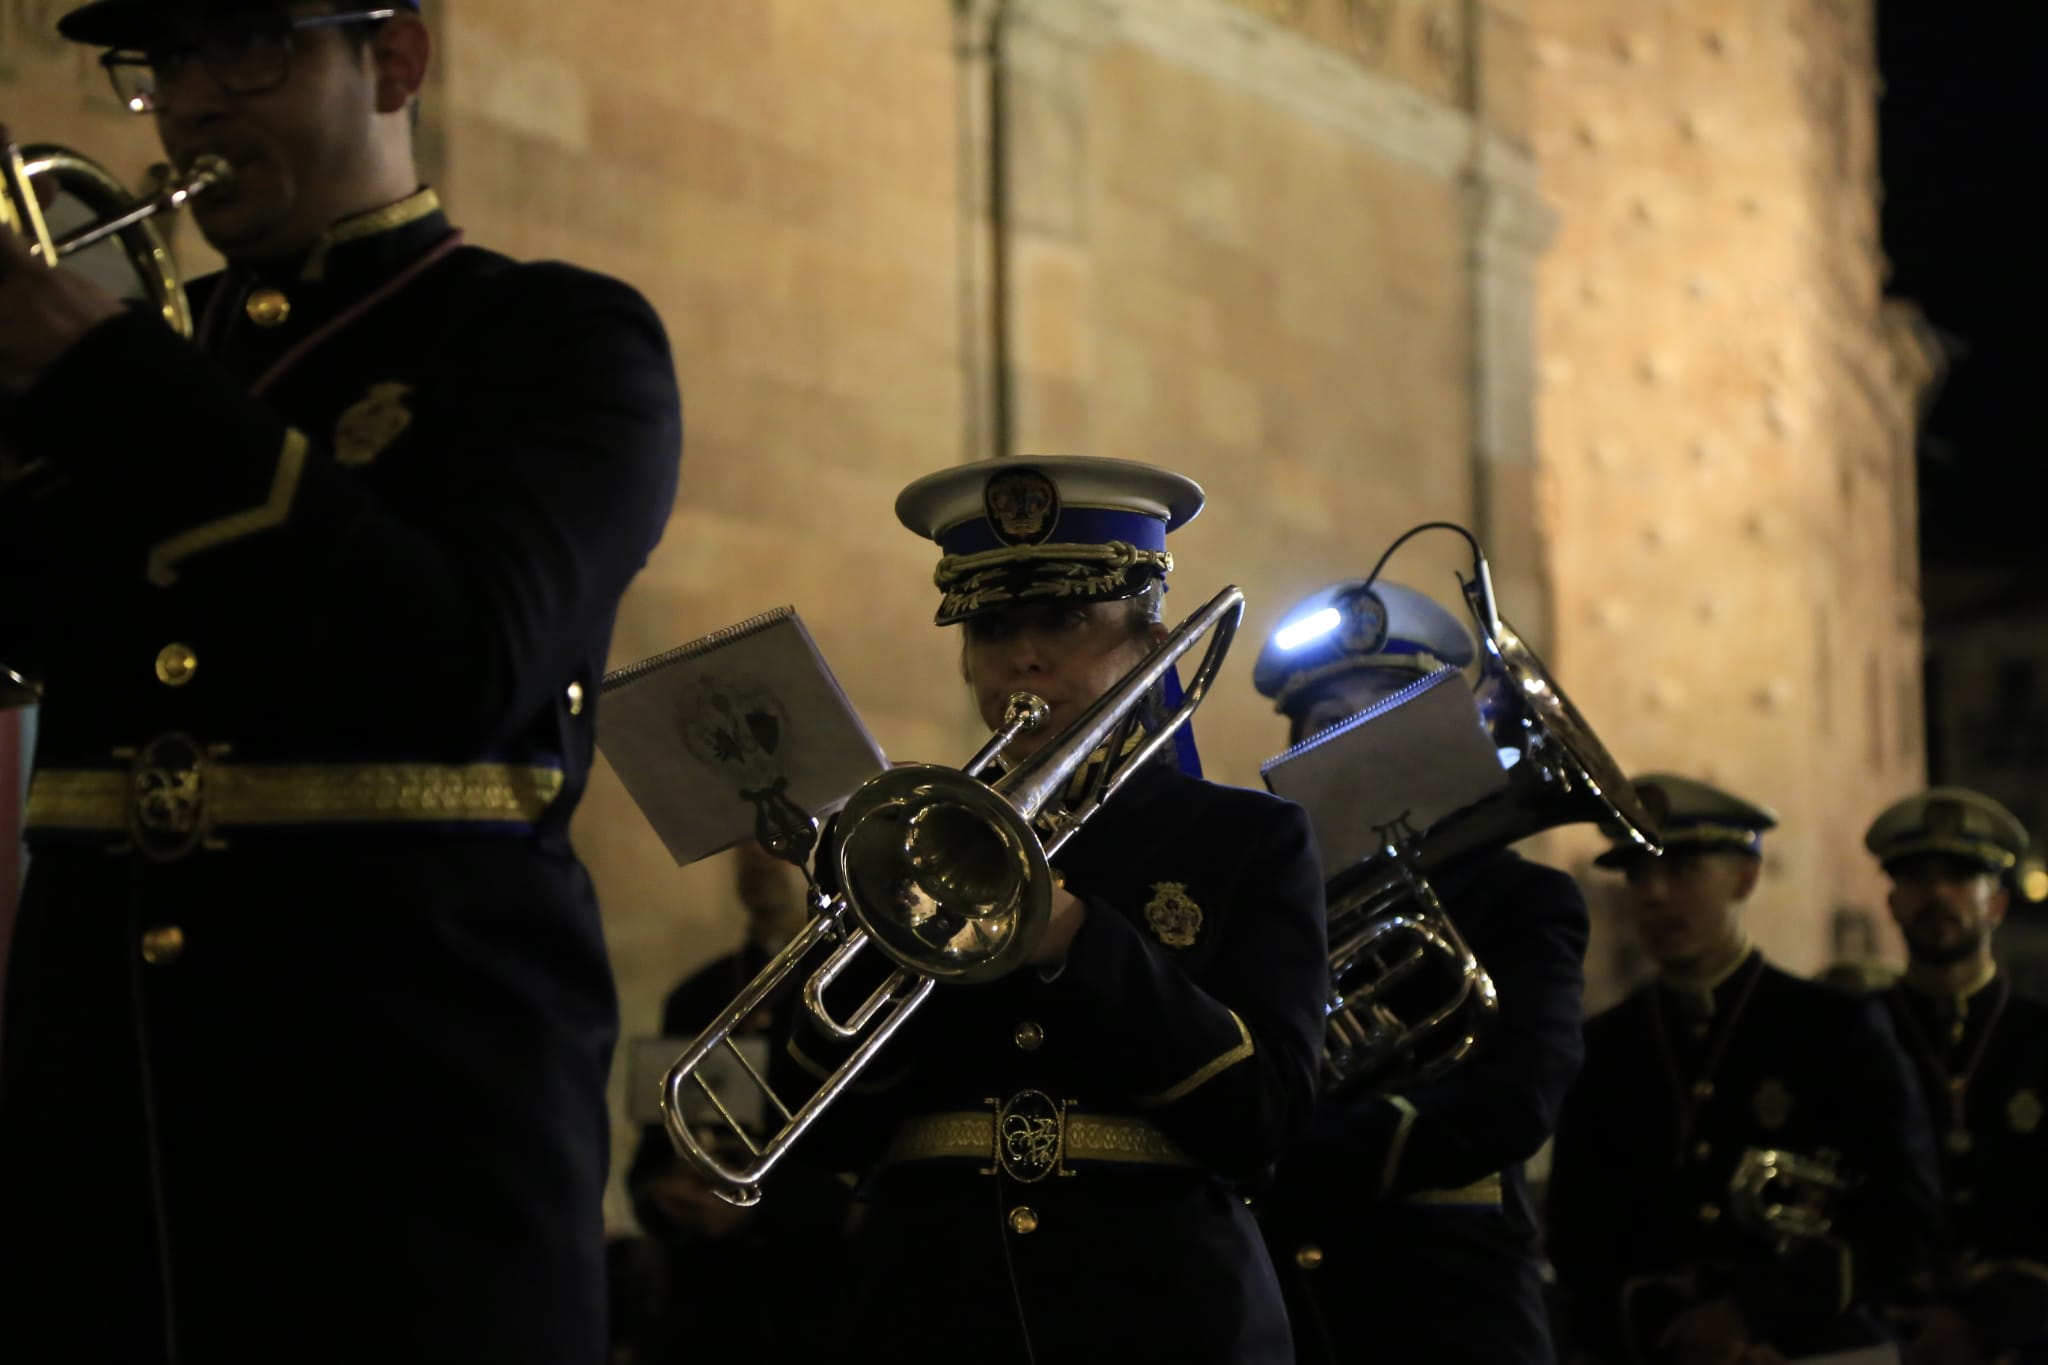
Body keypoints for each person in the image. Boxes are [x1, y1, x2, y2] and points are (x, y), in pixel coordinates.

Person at [0, 3, 682, 1361]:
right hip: (103, 1152)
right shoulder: (135, 371)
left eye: (243, 40)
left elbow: (462, 659)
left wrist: (109, 381)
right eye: (165, 58)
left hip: (403, 1170)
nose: (191, 98)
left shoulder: (553, 341)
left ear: (397, 59)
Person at [787, 455, 1329, 1364]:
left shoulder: (1247, 841)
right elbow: (823, 1128)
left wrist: (1080, 939)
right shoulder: (903, 843)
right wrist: (885, 920)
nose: (1024, 656)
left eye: (1069, 619)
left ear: (1150, 649)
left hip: (1166, 1315)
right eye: (993, 627)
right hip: (933, 1310)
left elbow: (1267, 1118)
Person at [1249, 577, 1592, 1365]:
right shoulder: (1260, 901)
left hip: (1448, 1303)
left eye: (1384, 719)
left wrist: (1292, 1150)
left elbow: (1516, 1099)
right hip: (1281, 1305)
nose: (1352, 745)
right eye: (1329, 723)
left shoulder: (1525, 899)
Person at [1548, 775, 1942, 1365]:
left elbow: (1903, 1219)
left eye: (1680, 869)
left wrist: (1752, 1315)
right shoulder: (1607, 1046)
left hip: (1811, 1345)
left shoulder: (1833, 1027)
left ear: (1746, 877)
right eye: (1637, 872)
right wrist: (1672, 1329)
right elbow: (1579, 1237)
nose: (1653, 894)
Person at [620, 843, 851, 1365]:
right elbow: (654, 1152)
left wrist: (765, 1213)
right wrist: (662, 1192)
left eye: (775, 842)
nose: (756, 859)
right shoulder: (696, 997)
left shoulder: (851, 989)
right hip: (707, 1310)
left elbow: (862, 1155)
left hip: (820, 1299)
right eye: (742, 844)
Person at [1867, 788, 2048, 1365]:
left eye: (1960, 877)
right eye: (1917, 878)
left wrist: (1985, 1324)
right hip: (1888, 1332)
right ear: (1893, 902)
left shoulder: (2039, 1038)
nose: (1938, 894)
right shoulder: (1856, 1037)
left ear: (1996, 904)